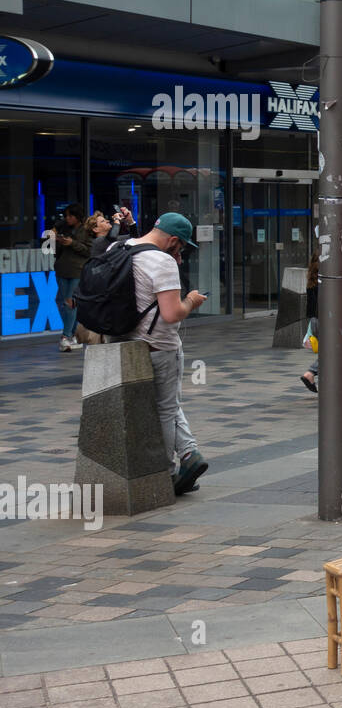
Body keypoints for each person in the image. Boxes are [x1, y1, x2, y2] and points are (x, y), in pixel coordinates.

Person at [116, 213, 210, 494]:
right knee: (167, 409)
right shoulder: (162, 261)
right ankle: (168, 473)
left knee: (165, 405)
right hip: (160, 347)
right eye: (180, 246)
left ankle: (190, 454)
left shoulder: (120, 249)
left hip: (126, 344)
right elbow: (171, 314)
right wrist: (191, 301)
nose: (179, 252)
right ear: (172, 240)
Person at [54, 203, 93, 352]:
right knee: (65, 303)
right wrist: (58, 242)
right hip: (62, 269)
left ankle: (65, 336)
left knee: (70, 302)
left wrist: (72, 243)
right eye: (66, 216)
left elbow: (88, 251)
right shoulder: (63, 228)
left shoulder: (85, 231)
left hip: (78, 270)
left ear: (78, 217)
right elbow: (53, 251)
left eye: (71, 215)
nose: (68, 218)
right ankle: (72, 335)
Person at [301, 252, 320, 393]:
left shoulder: (311, 279)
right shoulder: (327, 280)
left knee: (330, 352)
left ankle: (312, 374)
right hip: (327, 320)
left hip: (314, 321)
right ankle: (310, 373)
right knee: (334, 353)